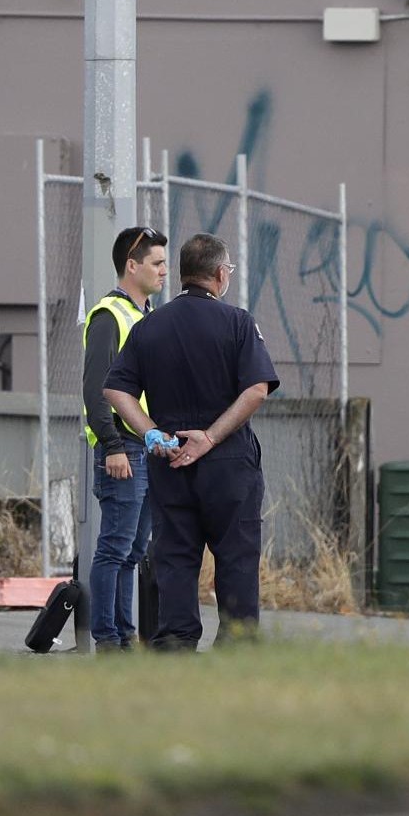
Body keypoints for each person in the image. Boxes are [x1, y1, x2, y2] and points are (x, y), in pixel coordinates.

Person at [104, 233, 279, 650]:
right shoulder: (237, 322)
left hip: (170, 460)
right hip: (229, 462)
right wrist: (212, 437)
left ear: (182, 273)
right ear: (220, 274)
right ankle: (236, 645)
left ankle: (176, 642)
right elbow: (256, 389)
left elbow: (115, 390)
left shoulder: (149, 326)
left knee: (176, 557)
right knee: (235, 557)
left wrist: (150, 432)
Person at [80, 226, 168, 652]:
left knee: (133, 551)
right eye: (157, 262)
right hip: (123, 446)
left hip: (147, 447)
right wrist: (113, 445)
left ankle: (125, 634)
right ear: (132, 266)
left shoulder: (147, 316)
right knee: (114, 548)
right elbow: (97, 388)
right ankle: (108, 639)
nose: (164, 271)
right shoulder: (108, 316)